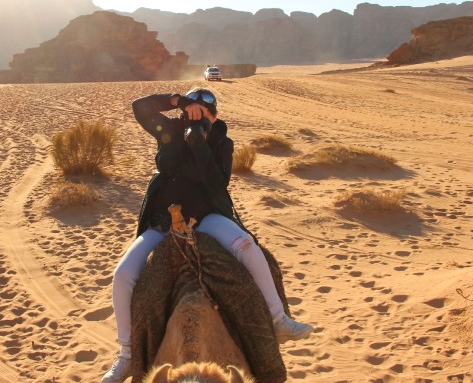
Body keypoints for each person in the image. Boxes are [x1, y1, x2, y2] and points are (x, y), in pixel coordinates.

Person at [101, 88, 314, 383]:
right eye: (193, 113)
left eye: (205, 114)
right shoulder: (169, 129)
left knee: (246, 246)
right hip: (165, 220)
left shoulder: (221, 143)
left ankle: (278, 318)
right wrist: (177, 101)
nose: (198, 119)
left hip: (207, 217)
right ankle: (126, 355)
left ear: (214, 118)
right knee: (123, 274)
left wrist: (200, 144)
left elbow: (217, 184)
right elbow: (139, 106)